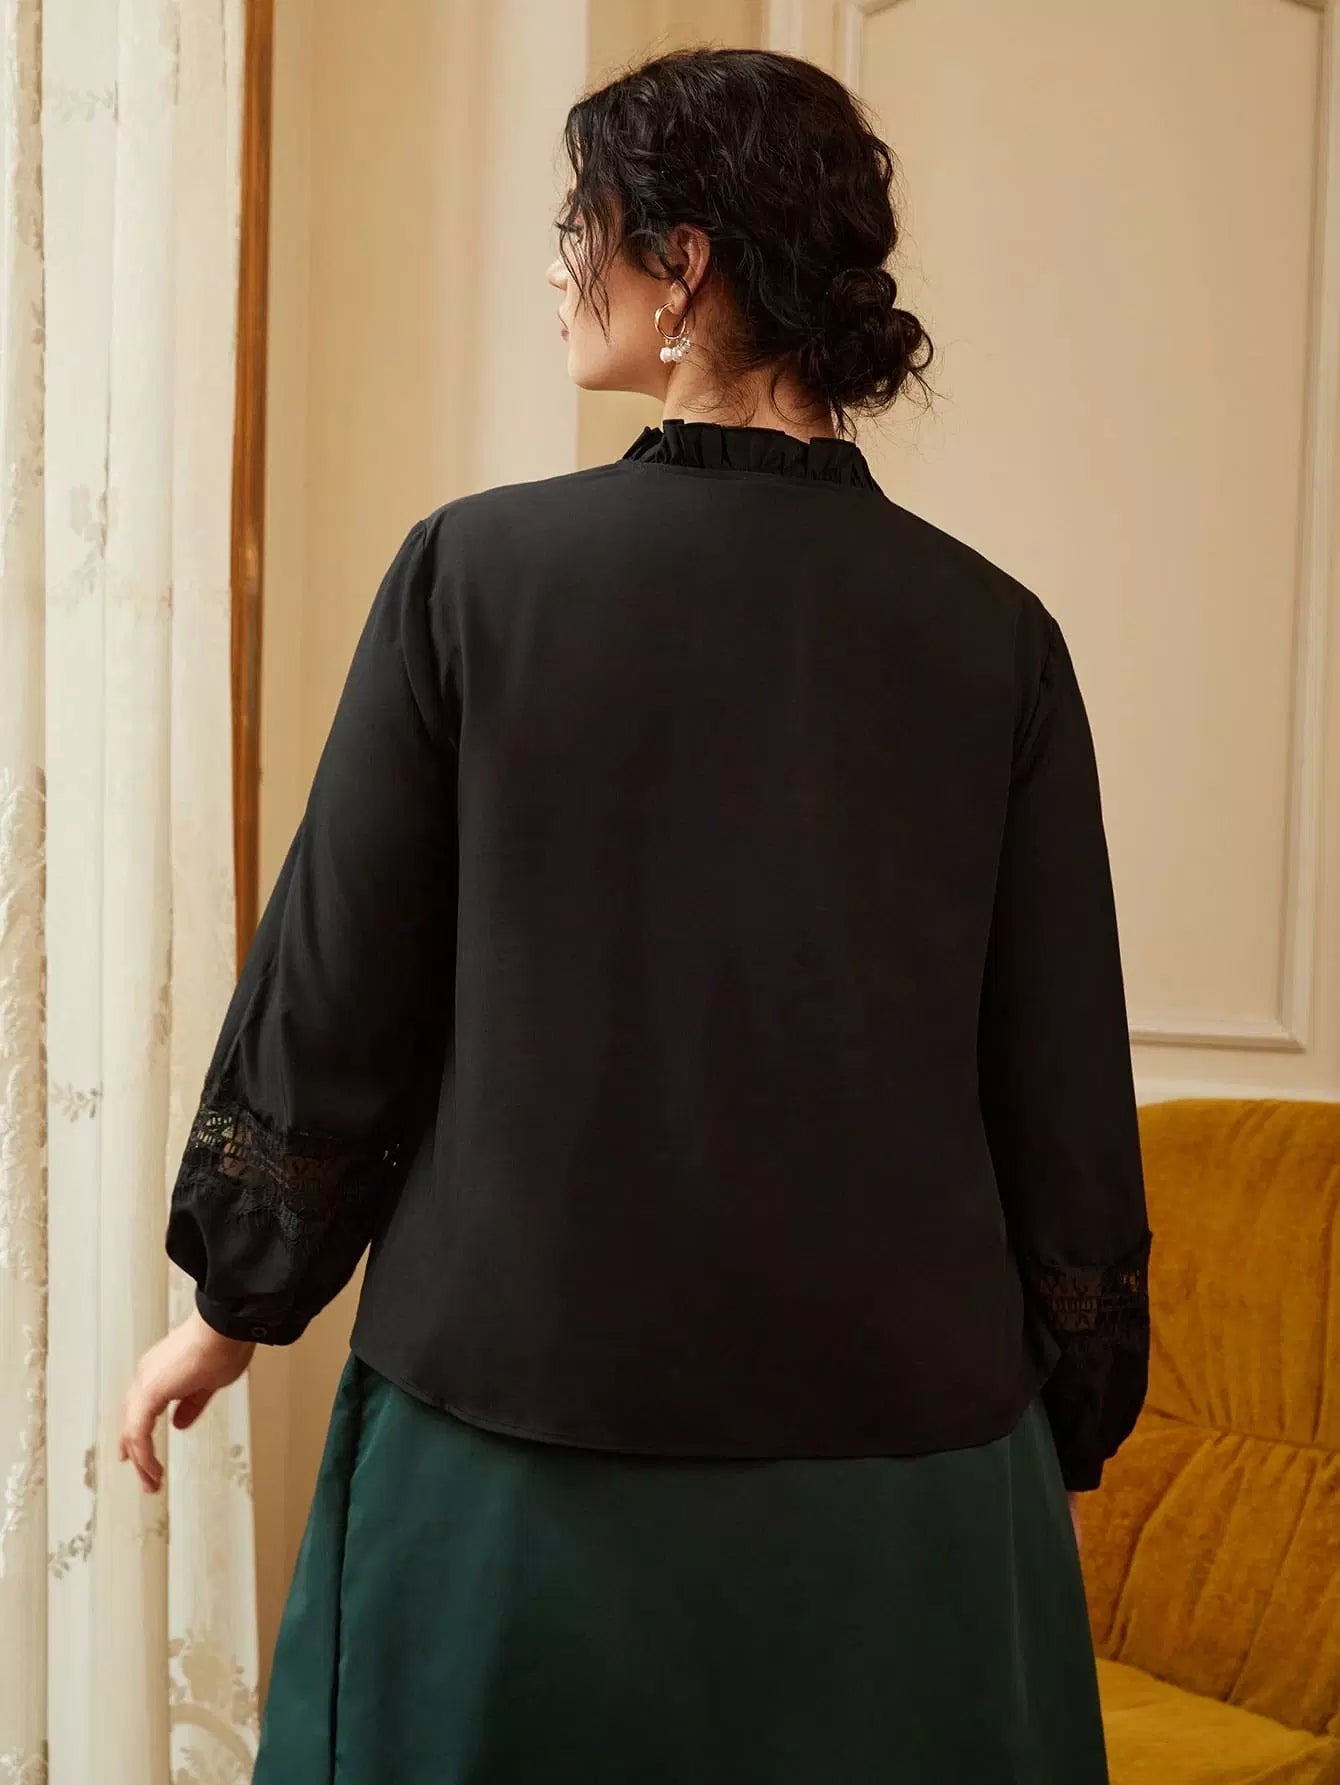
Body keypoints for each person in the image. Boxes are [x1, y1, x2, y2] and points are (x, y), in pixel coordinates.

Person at [120, 44, 1151, 1784]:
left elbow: (340, 995)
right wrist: (1069, 1412)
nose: (554, 267)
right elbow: (1057, 1081)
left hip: (512, 1472)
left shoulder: (470, 578)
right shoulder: (1000, 639)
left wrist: (230, 1309)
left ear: (683, 264)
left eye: (576, 226)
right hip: (908, 1491)